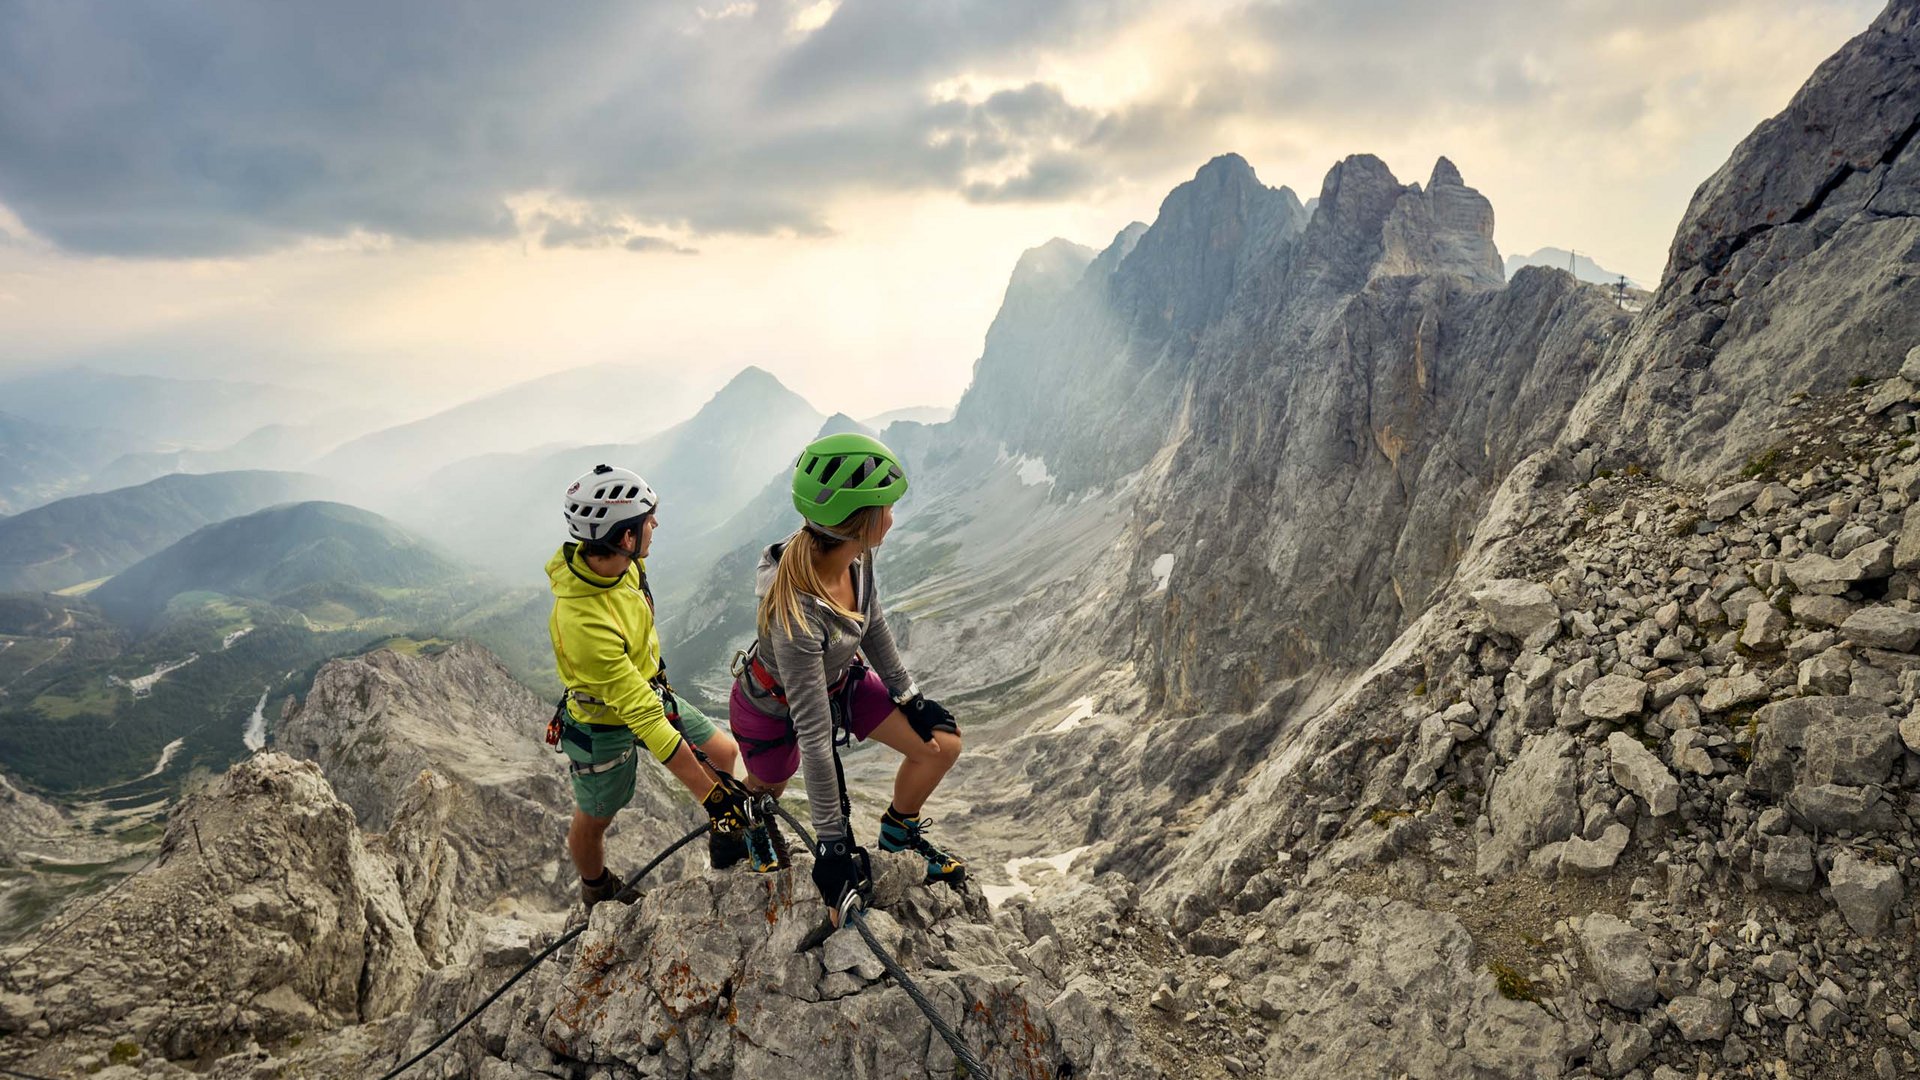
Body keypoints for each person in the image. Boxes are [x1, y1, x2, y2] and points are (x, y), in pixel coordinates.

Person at [728, 433, 965, 921]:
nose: (893, 516)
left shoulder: (858, 557)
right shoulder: (794, 612)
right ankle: (747, 817)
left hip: (840, 683)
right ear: (861, 519)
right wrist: (833, 846)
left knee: (942, 745)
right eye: (886, 507)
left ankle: (899, 832)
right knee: (771, 783)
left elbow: (870, 623)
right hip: (771, 706)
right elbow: (815, 737)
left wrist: (910, 696)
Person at [547, 464, 754, 910]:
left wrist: (716, 799)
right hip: (601, 723)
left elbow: (645, 700)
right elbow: (642, 717)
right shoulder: (582, 622)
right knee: (596, 818)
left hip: (648, 690)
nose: (655, 524)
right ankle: (596, 886)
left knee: (726, 753)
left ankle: (726, 850)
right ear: (625, 538)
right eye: (647, 520)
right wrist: (713, 798)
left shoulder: (626, 566)